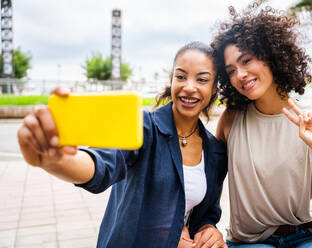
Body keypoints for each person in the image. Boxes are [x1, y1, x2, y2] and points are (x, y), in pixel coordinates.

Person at [17, 41, 228, 248]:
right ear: (172, 80)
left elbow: (205, 214)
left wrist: (207, 230)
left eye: (202, 80)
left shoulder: (216, 152)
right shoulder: (142, 127)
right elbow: (101, 165)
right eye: (180, 76)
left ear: (214, 87)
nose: (189, 87)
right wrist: (54, 160)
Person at [211, 5, 312, 248]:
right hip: (249, 242)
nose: (240, 75)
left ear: (270, 55)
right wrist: (205, 226)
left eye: (246, 60)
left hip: (305, 237)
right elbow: (209, 188)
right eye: (231, 71)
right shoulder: (231, 120)